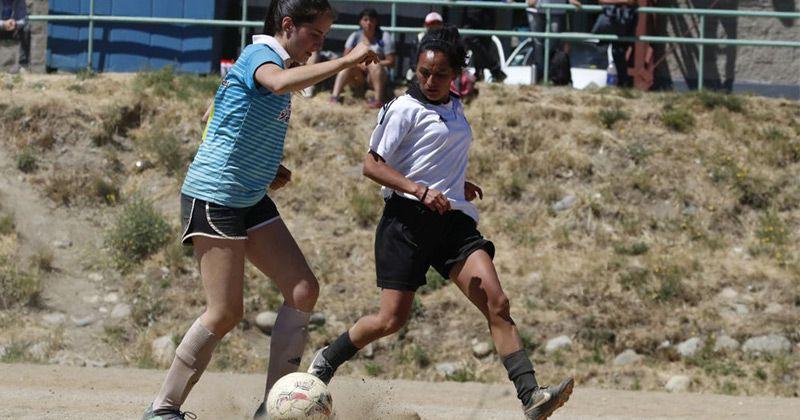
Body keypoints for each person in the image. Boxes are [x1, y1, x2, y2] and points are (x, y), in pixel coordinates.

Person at [307, 26, 573, 420]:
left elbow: (432, 153)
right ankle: (326, 360)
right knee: (390, 319)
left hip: (451, 220)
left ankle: (531, 396)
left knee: (496, 302)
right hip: (406, 223)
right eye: (424, 73)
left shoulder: (455, 105)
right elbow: (372, 165)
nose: (430, 81)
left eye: (440, 75)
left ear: (456, 75)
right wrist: (419, 188)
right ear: (416, 69)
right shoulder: (402, 109)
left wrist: (455, 181)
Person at [141, 1, 378, 419]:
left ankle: (274, 410)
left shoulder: (273, 63)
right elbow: (278, 83)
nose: (319, 46)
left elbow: (216, 115)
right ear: (288, 25)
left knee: (303, 289)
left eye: (326, 38)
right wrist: (347, 59)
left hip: (248, 195)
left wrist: (268, 165)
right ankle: (162, 409)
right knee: (226, 311)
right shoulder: (261, 56)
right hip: (216, 196)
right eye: (315, 35)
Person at [330, 8, 396, 109]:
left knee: (374, 64)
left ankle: (378, 100)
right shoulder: (355, 36)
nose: (368, 23)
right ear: (360, 22)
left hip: (376, 76)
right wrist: (358, 64)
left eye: (371, 20)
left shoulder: (384, 36)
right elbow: (345, 59)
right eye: (365, 20)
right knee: (345, 67)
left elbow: (391, 62)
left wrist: (371, 63)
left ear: (376, 22)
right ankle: (335, 97)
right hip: (359, 76)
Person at [526, 0, 582, 83]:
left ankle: (549, 76)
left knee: (551, 44)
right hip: (534, 8)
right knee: (538, 45)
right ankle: (542, 78)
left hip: (556, 8)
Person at [592, 0, 638, 87]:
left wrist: (616, 2)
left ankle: (623, 83)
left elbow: (632, 1)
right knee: (608, 50)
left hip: (625, 20)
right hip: (611, 19)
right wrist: (623, 1)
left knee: (619, 52)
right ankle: (619, 83)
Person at [462, 0, 506, 82]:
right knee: (468, 39)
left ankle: (479, 73)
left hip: (488, 8)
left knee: (483, 43)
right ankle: (495, 70)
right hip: (471, 7)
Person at [1, 0, 30, 74]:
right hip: (2, 25)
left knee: (26, 28)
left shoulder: (19, 1)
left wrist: (15, 23)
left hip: (13, 27)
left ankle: (23, 64)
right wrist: (3, 24)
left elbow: (23, 20)